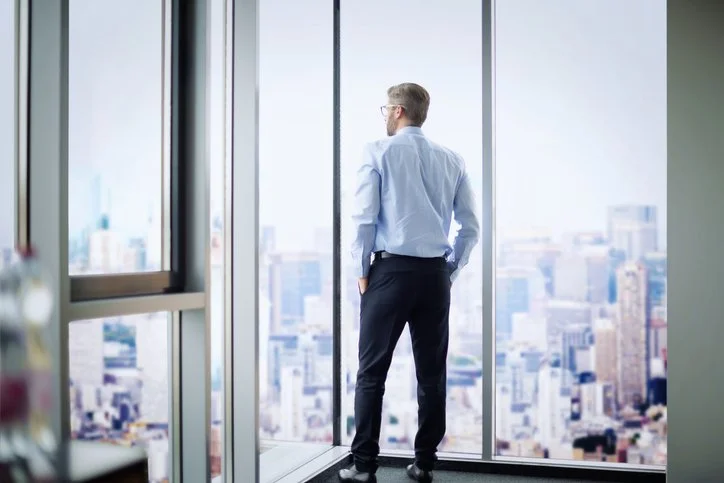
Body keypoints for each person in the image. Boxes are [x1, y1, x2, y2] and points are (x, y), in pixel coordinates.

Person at [338, 83, 480, 483]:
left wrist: (361, 271)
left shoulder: (378, 152)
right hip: (434, 276)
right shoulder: (452, 159)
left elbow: (363, 218)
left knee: (372, 373)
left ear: (398, 111)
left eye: (386, 108)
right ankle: (424, 464)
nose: (385, 114)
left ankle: (364, 467)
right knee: (432, 374)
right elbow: (470, 227)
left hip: (390, 273)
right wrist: (448, 270)